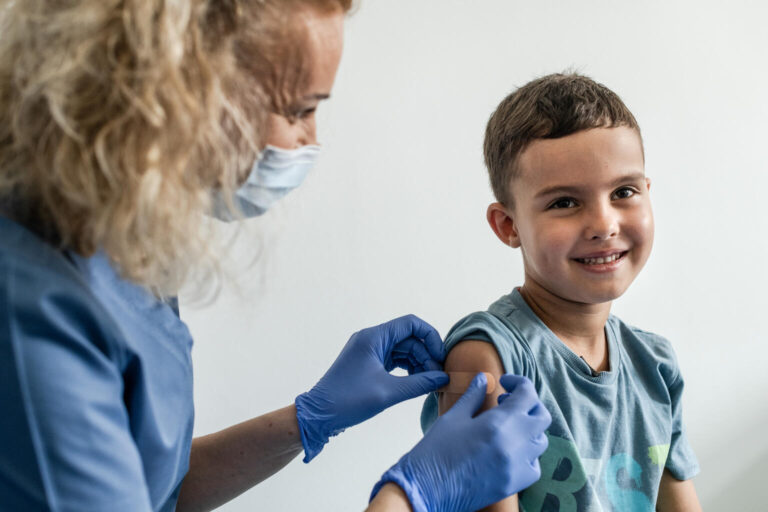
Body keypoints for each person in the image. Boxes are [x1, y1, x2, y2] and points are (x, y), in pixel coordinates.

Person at [0, 1, 551, 511]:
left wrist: (307, 420)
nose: (310, 140)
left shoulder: (112, 241)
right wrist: (413, 494)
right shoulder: (31, 309)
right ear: (173, 90)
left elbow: (151, 490)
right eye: (298, 109)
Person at [420, 73, 702, 511]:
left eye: (623, 191)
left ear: (647, 193)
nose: (604, 224)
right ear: (508, 226)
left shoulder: (657, 367)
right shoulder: (489, 357)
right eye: (565, 203)